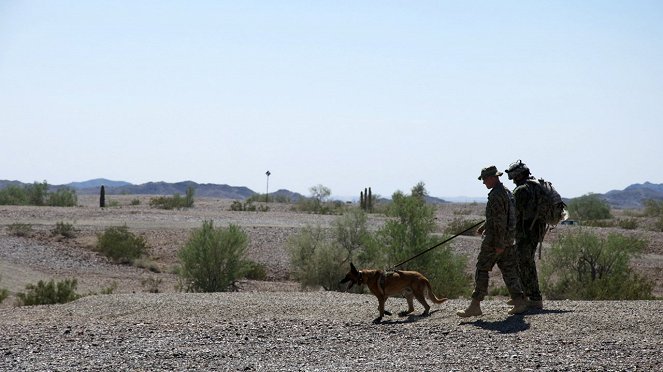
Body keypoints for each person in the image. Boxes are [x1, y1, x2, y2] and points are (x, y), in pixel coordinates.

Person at [457, 166, 528, 317]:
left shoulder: (496, 195)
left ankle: (475, 306)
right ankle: (519, 301)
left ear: (493, 177)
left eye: (484, 179)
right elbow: (504, 216)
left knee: (482, 268)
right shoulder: (506, 192)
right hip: (508, 239)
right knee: (509, 270)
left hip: (495, 240)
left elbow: (500, 221)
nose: (483, 183)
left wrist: (499, 244)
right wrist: (485, 226)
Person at [504, 160, 544, 309]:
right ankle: (524, 295)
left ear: (518, 175)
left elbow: (514, 212)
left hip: (526, 232)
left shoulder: (522, 190)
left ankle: (534, 297)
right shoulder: (534, 187)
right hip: (534, 230)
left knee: (525, 263)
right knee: (524, 262)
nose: (512, 178)